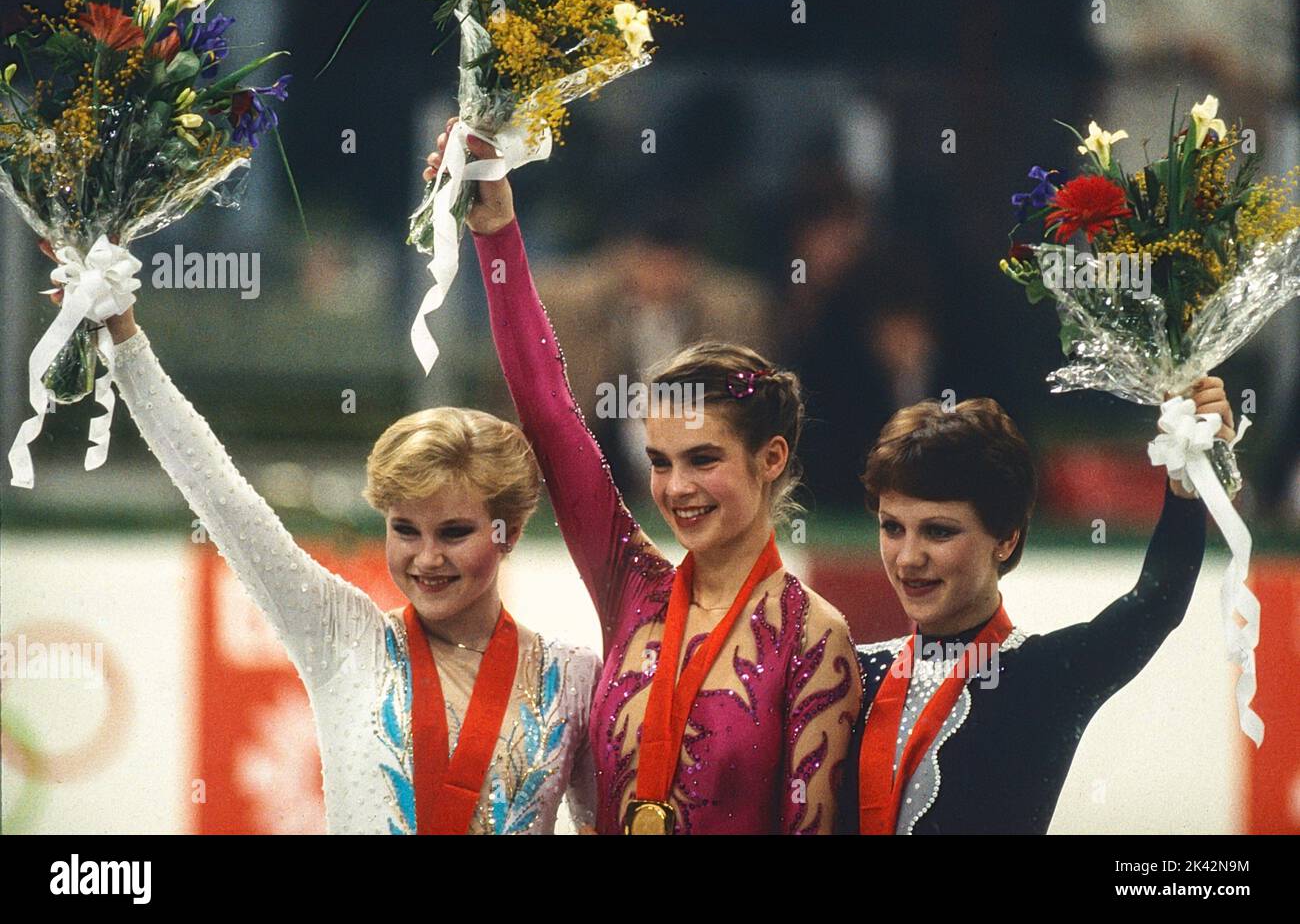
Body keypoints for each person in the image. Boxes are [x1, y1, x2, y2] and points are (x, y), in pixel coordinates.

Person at [44, 244, 600, 834]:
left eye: (455, 532)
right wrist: (125, 339)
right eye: (405, 529)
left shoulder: (574, 678)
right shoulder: (343, 637)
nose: (427, 557)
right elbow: (222, 498)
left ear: (508, 531)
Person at [426, 119, 862, 834]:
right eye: (660, 462)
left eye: (703, 459)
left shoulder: (815, 637)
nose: (676, 487)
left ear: (772, 458)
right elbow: (548, 408)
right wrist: (497, 229)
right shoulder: (634, 586)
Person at [837, 387, 1233, 834]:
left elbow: (1157, 601)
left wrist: (1187, 478)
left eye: (938, 532)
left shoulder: (1047, 677)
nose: (908, 558)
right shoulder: (849, 672)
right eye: (892, 528)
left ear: (1006, 538)